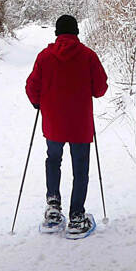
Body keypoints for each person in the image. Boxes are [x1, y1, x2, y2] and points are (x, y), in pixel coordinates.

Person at [25, 14, 108, 237]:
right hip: (80, 123)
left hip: (53, 123)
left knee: (53, 160)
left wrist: (37, 103)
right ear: (76, 33)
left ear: (56, 33)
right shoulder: (88, 56)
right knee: (80, 168)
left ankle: (53, 209)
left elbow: (31, 86)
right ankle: (77, 217)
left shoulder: (44, 56)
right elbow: (100, 89)